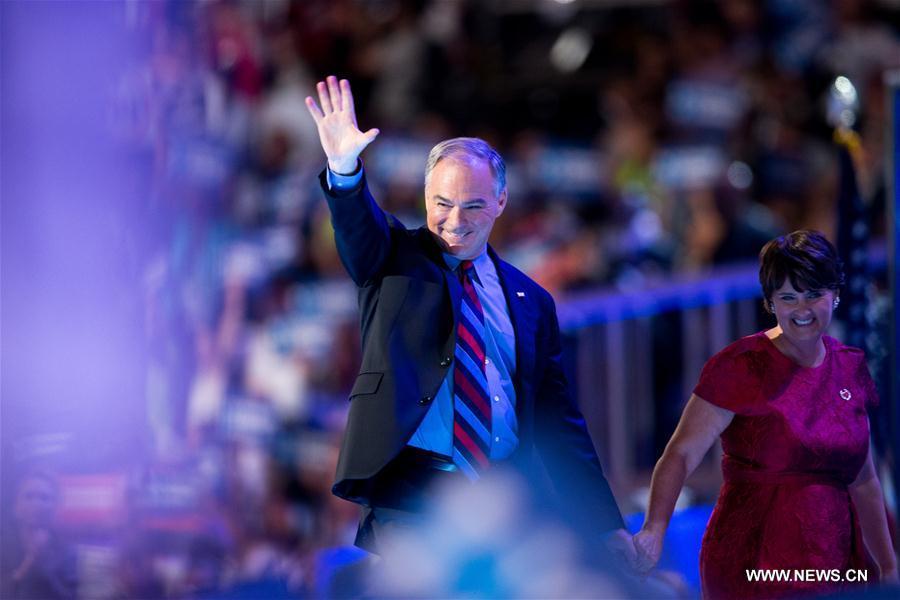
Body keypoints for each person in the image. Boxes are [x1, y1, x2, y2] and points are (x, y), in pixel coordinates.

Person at [304, 76, 629, 558]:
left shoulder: (533, 300)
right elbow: (357, 230)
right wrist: (344, 168)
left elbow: (559, 421)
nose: (455, 221)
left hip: (505, 499)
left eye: (474, 205)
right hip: (413, 497)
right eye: (443, 204)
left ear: (501, 202)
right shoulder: (393, 260)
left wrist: (604, 524)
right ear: (425, 197)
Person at [632, 230, 898, 598]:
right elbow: (680, 454)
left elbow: (864, 480)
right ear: (770, 302)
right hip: (753, 564)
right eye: (788, 297)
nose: (802, 310)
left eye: (814, 295)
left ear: (836, 294)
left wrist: (888, 565)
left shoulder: (851, 366)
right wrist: (654, 530)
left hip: (836, 564)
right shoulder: (739, 366)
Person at [0, 471, 77, 599]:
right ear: (16, 506)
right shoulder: (2, 546)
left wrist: (44, 565)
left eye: (44, 497)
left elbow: (69, 596)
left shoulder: (66, 551)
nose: (37, 503)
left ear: (55, 507)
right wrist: (29, 561)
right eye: (29, 496)